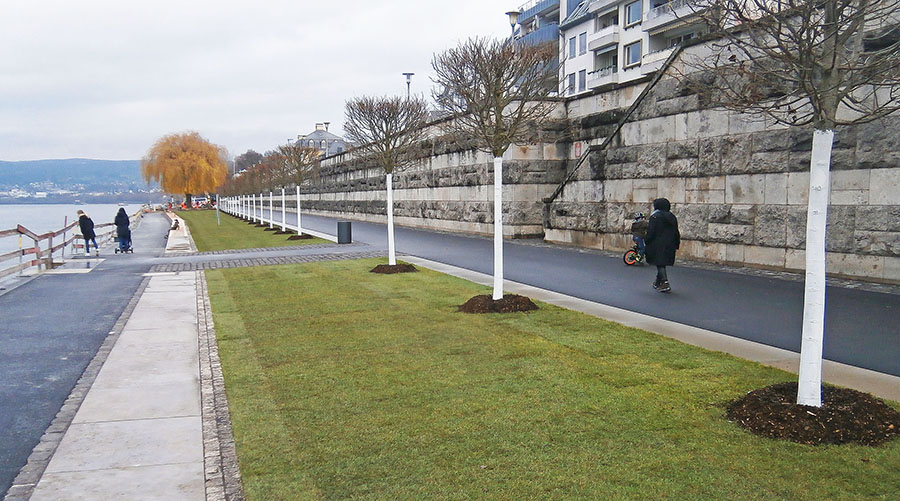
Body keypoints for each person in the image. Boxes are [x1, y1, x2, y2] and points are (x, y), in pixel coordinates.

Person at [644, 198, 680, 293]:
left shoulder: (655, 217)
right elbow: (676, 232)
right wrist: (677, 243)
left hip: (657, 244)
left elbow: (651, 231)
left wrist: (646, 240)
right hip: (670, 243)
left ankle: (664, 282)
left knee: (659, 263)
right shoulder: (672, 217)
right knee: (661, 262)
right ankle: (658, 282)